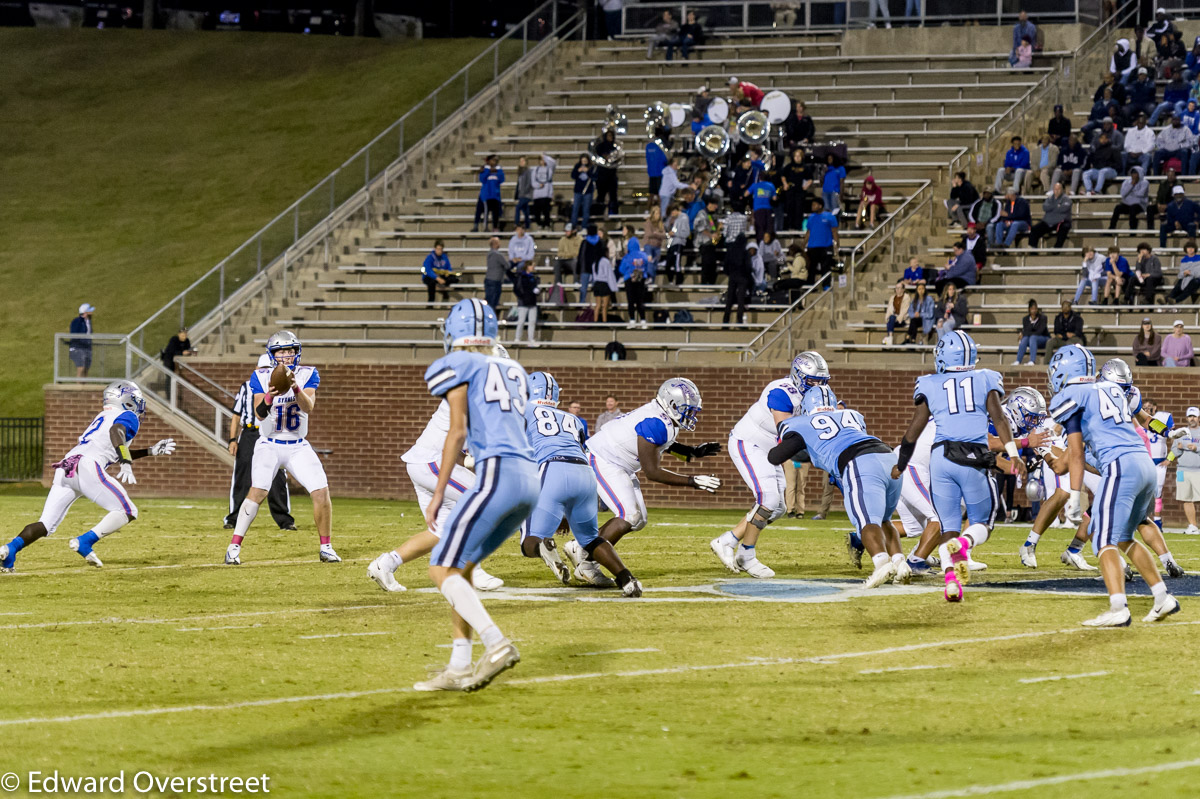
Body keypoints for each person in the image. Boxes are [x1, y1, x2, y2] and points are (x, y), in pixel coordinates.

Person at [412, 301, 538, 691]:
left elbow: (457, 432)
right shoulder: (515, 369)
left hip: (496, 473)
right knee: (461, 569)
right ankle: (460, 665)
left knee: (440, 568)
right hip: (529, 479)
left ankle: (496, 642)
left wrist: (438, 493)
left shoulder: (461, 366)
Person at [1046, 344, 1179, 626]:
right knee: (1122, 537)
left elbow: (1077, 453)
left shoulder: (1073, 395)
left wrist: (1073, 495)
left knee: (1102, 539)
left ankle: (1118, 608)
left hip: (1120, 466)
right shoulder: (1115, 390)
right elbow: (1140, 421)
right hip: (1144, 464)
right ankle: (1161, 597)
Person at [892, 331, 1024, 601]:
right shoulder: (985, 377)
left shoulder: (929, 383)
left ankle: (952, 582)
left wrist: (901, 463)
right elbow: (1000, 420)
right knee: (982, 524)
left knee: (948, 526)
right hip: (973, 456)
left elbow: (912, 432)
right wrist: (1014, 454)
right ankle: (964, 544)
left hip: (941, 458)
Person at [367, 345, 508, 595]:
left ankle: (385, 564)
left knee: (441, 532)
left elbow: (466, 450)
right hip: (432, 462)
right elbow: (458, 439)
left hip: (425, 463)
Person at [0, 381, 172, 572]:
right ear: (127, 400)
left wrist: (150, 451)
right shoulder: (128, 415)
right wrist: (125, 461)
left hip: (67, 465)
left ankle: (9, 551)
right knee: (128, 510)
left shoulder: (104, 415)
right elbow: (117, 433)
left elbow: (111, 449)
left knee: (46, 524)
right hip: (87, 465)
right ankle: (85, 542)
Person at [519, 372, 643, 593]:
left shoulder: (523, 411)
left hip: (552, 469)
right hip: (585, 475)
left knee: (529, 542)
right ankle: (627, 579)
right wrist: (567, 511)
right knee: (590, 539)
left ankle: (542, 547)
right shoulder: (573, 418)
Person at [224, 332, 336, 566]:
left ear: (297, 352)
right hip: (269, 444)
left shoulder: (308, 373)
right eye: (281, 352)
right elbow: (258, 413)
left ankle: (326, 547)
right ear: (272, 355)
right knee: (257, 492)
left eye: (290, 351)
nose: (286, 356)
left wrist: (295, 387)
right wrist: (268, 398)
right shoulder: (260, 376)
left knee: (321, 491)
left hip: (297, 445)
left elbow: (309, 407)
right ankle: (233, 547)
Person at [585, 379, 721, 568]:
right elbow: (652, 472)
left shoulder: (662, 417)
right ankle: (586, 563)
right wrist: (692, 481)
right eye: (687, 409)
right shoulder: (656, 422)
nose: (690, 415)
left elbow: (663, 443)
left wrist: (691, 452)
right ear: (671, 404)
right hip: (604, 459)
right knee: (629, 515)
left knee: (638, 520)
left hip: (620, 464)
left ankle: (581, 548)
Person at [715, 358, 821, 578]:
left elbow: (835, 408)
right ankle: (746, 555)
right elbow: (787, 432)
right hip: (749, 443)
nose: (817, 387)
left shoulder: (816, 394)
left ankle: (728, 540)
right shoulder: (781, 392)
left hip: (770, 450)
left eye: (821, 382)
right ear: (798, 376)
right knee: (768, 500)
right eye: (812, 381)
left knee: (779, 507)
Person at [224, 354, 295, 533]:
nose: (264, 372)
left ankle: (284, 520)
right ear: (256, 370)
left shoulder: (283, 388)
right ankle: (234, 517)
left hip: (272, 433)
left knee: (278, 475)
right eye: (261, 369)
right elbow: (236, 414)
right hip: (250, 432)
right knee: (242, 474)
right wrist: (233, 439)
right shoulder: (247, 386)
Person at [1172, 408, 1200, 534]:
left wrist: (1196, 448)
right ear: (1186, 418)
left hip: (1198, 470)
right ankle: (1192, 526)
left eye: (1194, 416)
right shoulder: (1181, 433)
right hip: (1182, 470)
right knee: (1186, 498)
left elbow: (1196, 448)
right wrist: (1178, 449)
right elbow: (1174, 452)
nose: (1192, 419)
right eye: (1190, 416)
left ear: (1198, 418)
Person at [619, 234, 651, 329]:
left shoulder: (627, 257)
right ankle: (643, 320)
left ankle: (632, 320)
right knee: (640, 300)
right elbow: (647, 267)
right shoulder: (644, 255)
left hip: (629, 280)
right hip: (641, 280)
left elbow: (621, 269)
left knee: (631, 300)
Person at [1027, 182, 1071, 251]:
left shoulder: (1066, 199)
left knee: (1064, 228)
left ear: (1062, 190)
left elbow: (1063, 209)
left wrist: (1052, 207)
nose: (1057, 191)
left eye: (1059, 189)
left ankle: (1057, 248)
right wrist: (1056, 206)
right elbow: (1045, 207)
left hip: (1062, 221)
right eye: (1055, 189)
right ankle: (1033, 247)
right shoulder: (1050, 198)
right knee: (1035, 228)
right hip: (1049, 221)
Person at [804, 198, 839, 284]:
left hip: (826, 246)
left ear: (820, 206)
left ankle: (826, 286)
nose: (812, 206)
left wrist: (837, 245)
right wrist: (803, 244)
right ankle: (810, 286)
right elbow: (808, 232)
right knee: (811, 268)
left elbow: (834, 232)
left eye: (814, 205)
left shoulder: (830, 217)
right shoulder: (811, 218)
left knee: (826, 268)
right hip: (812, 247)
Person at [723, 228, 753, 326]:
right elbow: (748, 267)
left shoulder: (731, 251)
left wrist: (729, 273)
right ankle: (739, 320)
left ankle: (726, 320)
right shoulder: (745, 253)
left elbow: (726, 265)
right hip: (743, 277)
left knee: (729, 299)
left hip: (733, 276)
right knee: (741, 300)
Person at [592, 130, 620, 219]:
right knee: (601, 196)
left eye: (611, 136)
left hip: (612, 175)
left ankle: (613, 214)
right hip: (602, 175)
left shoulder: (615, 147)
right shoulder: (600, 147)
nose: (610, 137)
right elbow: (597, 156)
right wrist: (605, 156)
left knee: (613, 196)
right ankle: (599, 214)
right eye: (608, 136)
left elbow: (618, 158)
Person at [473, 156, 504, 232]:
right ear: (489, 161)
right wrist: (489, 170)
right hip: (486, 195)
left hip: (495, 195)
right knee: (482, 211)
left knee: (495, 213)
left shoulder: (499, 169)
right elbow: (482, 179)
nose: (495, 162)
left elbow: (501, 178)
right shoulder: (484, 169)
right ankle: (479, 226)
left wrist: (494, 170)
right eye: (493, 160)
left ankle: (495, 227)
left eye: (496, 160)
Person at [1014, 299, 1049, 365]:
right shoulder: (1026, 319)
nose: (1034, 310)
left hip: (1043, 339)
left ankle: (1032, 360)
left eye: (1035, 308)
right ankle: (1018, 360)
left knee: (1032, 337)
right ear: (1029, 309)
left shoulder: (1043, 318)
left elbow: (1039, 332)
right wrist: (1031, 322)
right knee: (1025, 338)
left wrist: (1023, 333)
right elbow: (1026, 330)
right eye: (1032, 309)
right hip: (1031, 340)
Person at [694, 197, 720, 284]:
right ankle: (705, 282)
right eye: (715, 205)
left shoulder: (709, 215)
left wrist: (717, 230)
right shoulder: (701, 214)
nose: (716, 207)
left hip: (710, 243)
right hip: (704, 243)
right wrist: (711, 235)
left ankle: (712, 281)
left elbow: (712, 227)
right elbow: (700, 227)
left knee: (713, 264)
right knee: (706, 263)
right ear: (710, 204)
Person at [1167, 239, 1200, 303]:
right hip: (1186, 277)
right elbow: (1180, 274)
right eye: (1188, 248)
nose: (1190, 249)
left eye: (1192, 248)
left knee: (1194, 282)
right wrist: (1184, 273)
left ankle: (1175, 300)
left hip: (1197, 279)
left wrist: (1190, 272)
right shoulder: (1184, 260)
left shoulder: (1199, 258)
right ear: (1186, 249)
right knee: (1180, 282)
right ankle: (1168, 299)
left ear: (1195, 249)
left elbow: (1198, 272)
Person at [422, 240, 455, 304]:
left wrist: (448, 272)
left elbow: (449, 267)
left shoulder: (444, 257)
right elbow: (428, 271)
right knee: (431, 282)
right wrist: (437, 278)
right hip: (430, 276)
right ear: (435, 248)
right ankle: (431, 302)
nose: (440, 251)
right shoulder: (430, 257)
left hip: (440, 275)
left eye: (441, 249)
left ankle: (444, 289)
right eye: (438, 249)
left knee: (454, 278)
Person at [665, 204, 690, 285]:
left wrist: (674, 233)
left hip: (678, 243)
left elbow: (686, 233)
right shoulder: (674, 219)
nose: (671, 215)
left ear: (675, 210)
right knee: (668, 264)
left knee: (676, 264)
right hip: (671, 243)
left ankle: (679, 281)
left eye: (672, 213)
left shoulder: (684, 217)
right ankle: (670, 281)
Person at [569, 154, 595, 230]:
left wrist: (588, 172)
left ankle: (584, 226)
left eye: (585, 161)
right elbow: (573, 176)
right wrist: (578, 171)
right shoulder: (577, 166)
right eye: (583, 160)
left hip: (588, 192)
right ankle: (573, 226)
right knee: (575, 209)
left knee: (586, 210)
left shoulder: (591, 167)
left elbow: (594, 177)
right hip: (578, 191)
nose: (584, 162)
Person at [68, 303, 94, 378]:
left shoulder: (88, 322)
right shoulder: (77, 321)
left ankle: (84, 387)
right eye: (89, 311)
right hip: (78, 348)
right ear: (85, 313)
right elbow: (74, 335)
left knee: (86, 369)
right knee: (81, 368)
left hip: (87, 348)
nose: (91, 313)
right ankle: (78, 387)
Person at [530, 153, 556, 229]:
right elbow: (533, 182)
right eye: (541, 160)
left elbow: (553, 162)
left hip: (546, 194)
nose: (543, 161)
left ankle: (547, 224)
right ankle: (539, 224)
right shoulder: (535, 170)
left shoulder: (549, 169)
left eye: (543, 160)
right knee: (537, 212)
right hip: (537, 194)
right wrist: (538, 185)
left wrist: (545, 156)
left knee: (546, 211)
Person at [591, 251, 618, 323]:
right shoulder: (605, 261)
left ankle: (595, 322)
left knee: (598, 305)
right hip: (604, 284)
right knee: (605, 306)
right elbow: (609, 275)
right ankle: (604, 322)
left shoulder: (594, 263)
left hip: (597, 284)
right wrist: (614, 287)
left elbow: (593, 276)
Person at [883, 282, 912, 347]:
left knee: (891, 320)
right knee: (891, 318)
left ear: (903, 289)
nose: (897, 290)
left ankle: (889, 339)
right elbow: (889, 310)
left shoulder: (906, 297)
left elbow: (905, 311)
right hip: (893, 318)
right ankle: (890, 339)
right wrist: (887, 318)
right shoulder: (892, 297)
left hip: (903, 319)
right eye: (896, 288)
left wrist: (898, 318)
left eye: (899, 288)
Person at [484, 237, 506, 311]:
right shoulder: (497, 254)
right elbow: (507, 265)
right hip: (495, 281)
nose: (500, 244)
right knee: (492, 304)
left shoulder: (489, 254)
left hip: (489, 280)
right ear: (495, 244)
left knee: (489, 303)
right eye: (498, 242)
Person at [513, 156, 533, 229]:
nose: (521, 163)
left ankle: (517, 223)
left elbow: (529, 183)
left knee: (518, 207)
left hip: (526, 195)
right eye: (520, 161)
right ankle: (527, 225)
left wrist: (524, 192)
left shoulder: (528, 171)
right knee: (525, 210)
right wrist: (516, 195)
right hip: (521, 194)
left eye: (523, 161)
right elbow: (519, 184)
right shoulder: (520, 172)